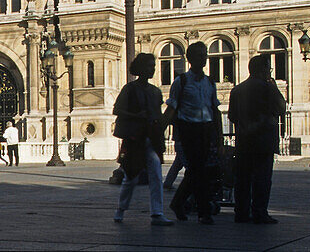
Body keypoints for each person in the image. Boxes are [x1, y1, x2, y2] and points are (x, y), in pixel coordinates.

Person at [113, 53, 174, 226]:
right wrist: (136, 115)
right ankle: (121, 208)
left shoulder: (155, 91)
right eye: (149, 66)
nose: (152, 69)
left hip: (150, 138)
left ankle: (157, 213)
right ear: (140, 69)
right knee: (130, 177)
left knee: (156, 174)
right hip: (135, 138)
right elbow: (117, 110)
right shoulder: (130, 89)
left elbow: (157, 115)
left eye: (153, 66)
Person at [164, 41, 220, 224]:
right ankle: (204, 211)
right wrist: (161, 129)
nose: (203, 59)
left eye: (205, 55)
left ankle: (178, 202)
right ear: (190, 59)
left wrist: (217, 137)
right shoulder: (181, 81)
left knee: (197, 171)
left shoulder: (210, 82)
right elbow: (172, 108)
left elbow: (214, 109)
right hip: (189, 130)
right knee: (199, 171)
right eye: (199, 55)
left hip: (206, 129)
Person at [228, 55, 286, 224]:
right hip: (263, 140)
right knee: (262, 179)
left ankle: (241, 212)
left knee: (243, 179)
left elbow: (231, 116)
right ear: (263, 70)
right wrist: (273, 86)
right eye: (269, 68)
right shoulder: (268, 87)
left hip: (244, 141)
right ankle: (260, 212)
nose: (269, 72)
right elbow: (281, 108)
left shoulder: (237, 90)